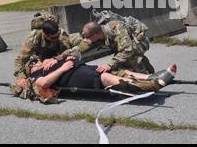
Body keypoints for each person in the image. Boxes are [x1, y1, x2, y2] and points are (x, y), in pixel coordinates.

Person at [12, 57, 177, 103]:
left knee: (118, 71)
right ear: (30, 69)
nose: (37, 62)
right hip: (78, 78)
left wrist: (59, 60)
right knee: (106, 77)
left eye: (37, 60)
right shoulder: (36, 75)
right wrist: (63, 68)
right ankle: (149, 86)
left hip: (85, 68)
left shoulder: (50, 62)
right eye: (32, 63)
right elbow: (43, 84)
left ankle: (154, 77)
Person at [13, 20, 87, 81]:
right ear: (45, 34)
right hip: (40, 54)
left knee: (77, 40)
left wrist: (55, 59)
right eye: (53, 38)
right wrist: (20, 77)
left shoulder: (61, 35)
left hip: (56, 53)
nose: (56, 39)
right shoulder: (33, 37)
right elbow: (21, 59)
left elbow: (66, 53)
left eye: (57, 36)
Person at [81, 21, 155, 76]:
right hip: (126, 45)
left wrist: (109, 65)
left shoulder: (118, 29)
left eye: (87, 37)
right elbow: (81, 45)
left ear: (95, 35)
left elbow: (127, 50)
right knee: (119, 62)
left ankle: (146, 77)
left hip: (138, 42)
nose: (86, 39)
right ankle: (143, 62)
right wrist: (72, 53)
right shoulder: (97, 35)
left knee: (128, 60)